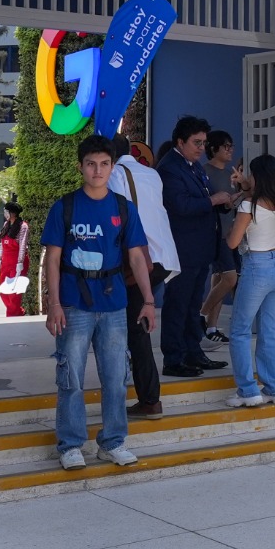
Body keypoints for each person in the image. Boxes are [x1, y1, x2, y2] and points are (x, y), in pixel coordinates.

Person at [42, 134, 164, 467]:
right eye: (91, 164)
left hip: (113, 306)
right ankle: (70, 445)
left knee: (116, 378)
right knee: (71, 378)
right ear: (80, 167)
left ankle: (112, 441)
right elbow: (53, 258)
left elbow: (137, 257)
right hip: (74, 304)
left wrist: (148, 301)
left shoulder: (123, 208)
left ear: (112, 168)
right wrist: (53, 304)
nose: (97, 170)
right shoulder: (64, 207)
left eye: (104, 164)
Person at [223, 153, 275, 406]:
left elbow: (232, 242)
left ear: (259, 177)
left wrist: (232, 228)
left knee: (240, 331)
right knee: (268, 331)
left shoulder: (249, 206)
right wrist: (245, 185)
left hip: (255, 266)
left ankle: (248, 391)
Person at [158, 116, 229, 377]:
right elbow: (180, 205)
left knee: (192, 304)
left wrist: (224, 202)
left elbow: (204, 198)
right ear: (180, 142)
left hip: (199, 247)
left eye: (203, 143)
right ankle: (173, 358)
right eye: (196, 142)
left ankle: (193, 352)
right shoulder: (170, 168)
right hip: (182, 248)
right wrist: (213, 201)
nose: (201, 148)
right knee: (178, 304)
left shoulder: (194, 166)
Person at [112, 138, 177, 418]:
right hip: (163, 256)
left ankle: (150, 399)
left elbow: (117, 219)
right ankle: (147, 397)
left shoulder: (114, 175)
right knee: (135, 325)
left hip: (140, 259)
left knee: (134, 330)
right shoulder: (151, 173)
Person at [199, 128, 242, 343]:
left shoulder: (230, 174)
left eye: (231, 146)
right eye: (226, 146)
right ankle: (201, 314)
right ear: (214, 149)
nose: (230, 150)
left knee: (219, 277)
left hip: (231, 232)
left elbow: (229, 203)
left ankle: (211, 327)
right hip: (215, 234)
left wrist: (236, 197)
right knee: (230, 278)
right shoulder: (204, 171)